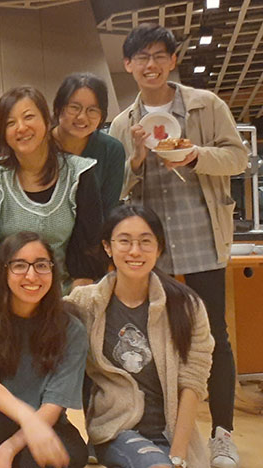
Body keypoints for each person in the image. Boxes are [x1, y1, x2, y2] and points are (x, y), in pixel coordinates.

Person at [108, 24, 247, 467]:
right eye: (141, 58)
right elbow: (114, 187)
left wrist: (194, 155)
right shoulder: (122, 124)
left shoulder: (207, 105)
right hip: (151, 249)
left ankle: (222, 432)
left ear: (172, 61)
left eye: (159, 56)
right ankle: (168, 428)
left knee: (215, 338)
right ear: (128, 65)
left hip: (202, 236)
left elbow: (238, 158)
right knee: (161, 339)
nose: (150, 65)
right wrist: (135, 160)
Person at [66, 205, 215, 468]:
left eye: (146, 241)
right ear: (107, 247)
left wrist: (178, 455)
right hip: (117, 429)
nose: (135, 251)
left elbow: (193, 383)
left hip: (173, 435)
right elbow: (38, 315)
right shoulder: (86, 303)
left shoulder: (186, 306)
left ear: (159, 248)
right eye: (124, 241)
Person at [0, 85, 105, 295]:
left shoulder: (79, 174)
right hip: (6, 300)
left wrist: (74, 313)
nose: (21, 127)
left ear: (47, 122)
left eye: (28, 117)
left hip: (63, 299)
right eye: (10, 123)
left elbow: (88, 253)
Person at [0, 232, 89, 468]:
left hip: (48, 423)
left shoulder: (72, 329)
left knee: (59, 456)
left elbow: (54, 404)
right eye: (20, 265)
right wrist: (27, 419)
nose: (31, 275)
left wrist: (10, 447)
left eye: (41, 265)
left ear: (53, 270)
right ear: (4, 271)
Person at [51, 72, 125, 217]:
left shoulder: (111, 150)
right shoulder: (40, 143)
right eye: (74, 107)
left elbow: (107, 210)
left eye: (92, 110)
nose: (82, 117)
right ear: (58, 108)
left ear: (102, 115)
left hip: (90, 236)